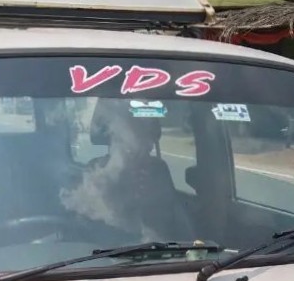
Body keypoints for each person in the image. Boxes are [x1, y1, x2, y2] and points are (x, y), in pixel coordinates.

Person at [60, 100, 194, 244]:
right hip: (100, 255)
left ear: (148, 142)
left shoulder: (157, 172)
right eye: (121, 141)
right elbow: (80, 223)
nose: (132, 150)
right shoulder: (94, 172)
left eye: (141, 140)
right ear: (111, 138)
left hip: (157, 253)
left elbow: (169, 223)